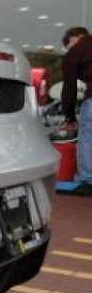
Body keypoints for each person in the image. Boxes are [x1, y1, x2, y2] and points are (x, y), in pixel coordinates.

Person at [61, 26, 92, 195]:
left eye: (69, 45)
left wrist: (69, 118)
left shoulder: (77, 50)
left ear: (76, 38)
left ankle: (87, 182)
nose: (69, 49)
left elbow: (69, 88)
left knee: (88, 139)